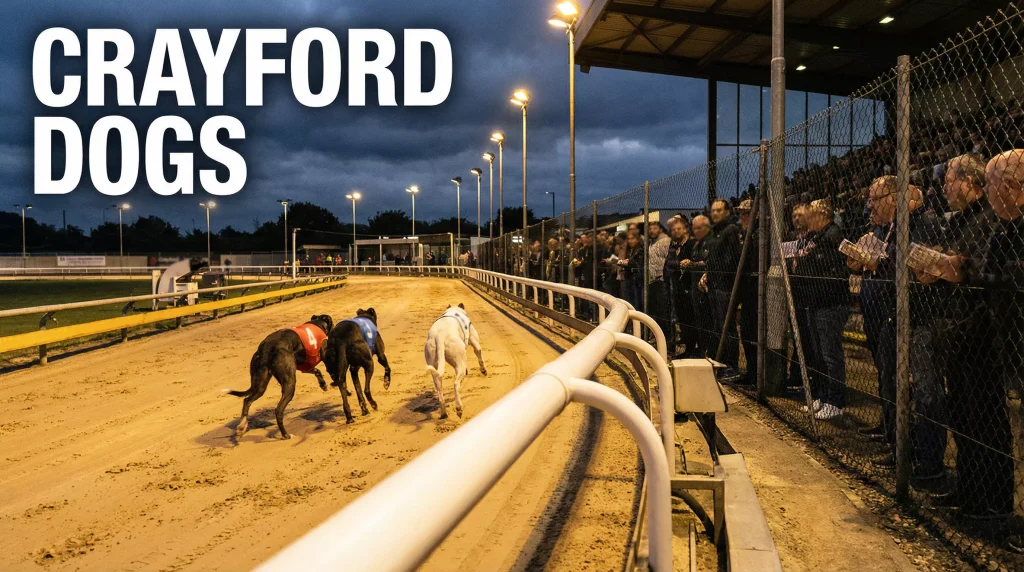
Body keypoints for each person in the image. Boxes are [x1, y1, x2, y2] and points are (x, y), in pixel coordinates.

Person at [790, 199, 849, 420]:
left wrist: (805, 262)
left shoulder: (832, 235)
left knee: (830, 354)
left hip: (830, 302)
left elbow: (819, 265)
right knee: (818, 354)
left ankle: (835, 400)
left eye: (811, 215)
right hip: (816, 300)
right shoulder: (816, 237)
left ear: (822, 216)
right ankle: (823, 395)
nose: (807, 220)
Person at [705, 199, 741, 379]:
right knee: (719, 326)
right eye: (713, 211)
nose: (715, 213)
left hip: (724, 285)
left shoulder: (730, 230)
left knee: (727, 327)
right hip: (715, 284)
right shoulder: (716, 232)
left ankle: (732, 365)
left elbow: (731, 259)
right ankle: (723, 361)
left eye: (719, 210)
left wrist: (720, 278)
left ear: (727, 212)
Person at [665, 215, 695, 358]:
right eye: (673, 230)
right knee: (681, 318)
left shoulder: (691, 244)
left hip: (688, 287)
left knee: (690, 319)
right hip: (676, 286)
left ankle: (692, 348)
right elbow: (670, 264)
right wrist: (678, 264)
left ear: (685, 229)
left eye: (678, 229)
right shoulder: (674, 245)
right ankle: (687, 348)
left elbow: (690, 264)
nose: (675, 232)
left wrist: (678, 265)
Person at [735, 199, 759, 386]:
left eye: (746, 213)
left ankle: (756, 374)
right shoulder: (744, 233)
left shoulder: (758, 233)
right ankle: (751, 372)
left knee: (754, 332)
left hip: (755, 286)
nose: (742, 216)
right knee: (746, 331)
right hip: (746, 285)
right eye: (741, 213)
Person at [684, 216, 713, 358]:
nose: (696, 231)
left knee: (708, 321)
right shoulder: (696, 244)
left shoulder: (710, 242)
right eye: (694, 228)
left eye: (699, 227)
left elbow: (709, 262)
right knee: (699, 320)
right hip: (695, 286)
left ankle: (709, 350)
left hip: (707, 287)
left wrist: (693, 264)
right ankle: (702, 349)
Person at [647, 222, 672, 338]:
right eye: (650, 228)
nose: (652, 230)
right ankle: (659, 337)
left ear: (660, 229)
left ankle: (666, 339)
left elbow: (668, 259)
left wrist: (662, 274)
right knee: (656, 311)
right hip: (652, 280)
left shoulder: (665, 241)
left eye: (654, 228)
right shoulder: (651, 243)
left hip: (661, 280)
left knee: (663, 312)